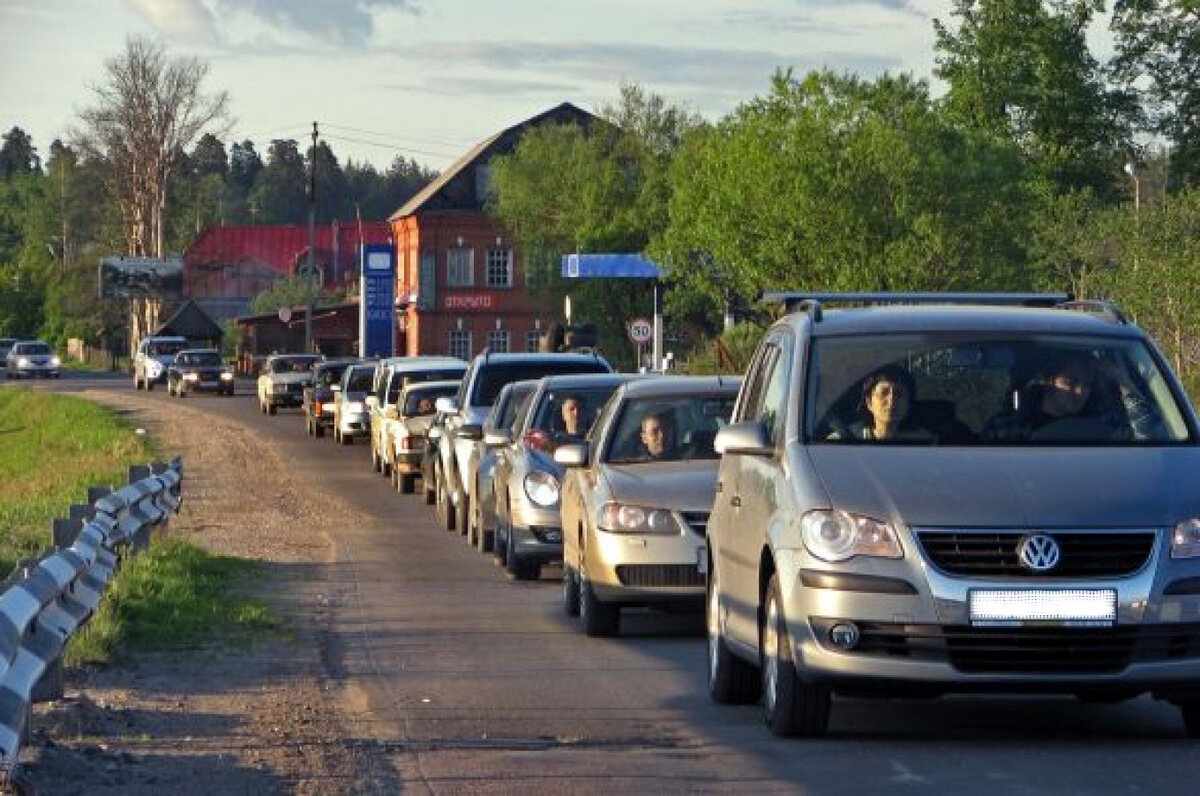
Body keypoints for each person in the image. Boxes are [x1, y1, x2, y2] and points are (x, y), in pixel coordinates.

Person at [985, 354, 1121, 442]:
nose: (1080, 391)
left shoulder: (1103, 422)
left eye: (1086, 384)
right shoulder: (1009, 428)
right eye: (1070, 382)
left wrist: (1121, 379)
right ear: (1048, 381)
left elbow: (1133, 429)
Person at [833, 365, 932, 442]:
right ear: (869, 403)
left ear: (908, 404)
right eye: (884, 393)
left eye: (898, 394)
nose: (891, 400)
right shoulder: (842, 440)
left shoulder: (925, 442)